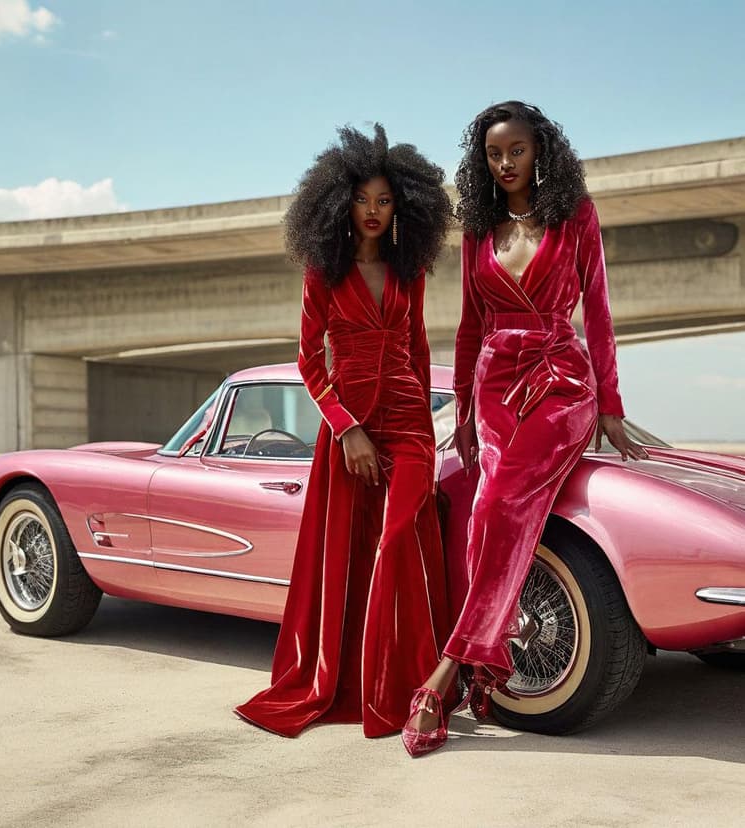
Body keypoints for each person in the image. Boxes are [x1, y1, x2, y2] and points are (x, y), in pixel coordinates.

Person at [401, 101, 649, 757]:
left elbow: (596, 309)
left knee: (504, 499)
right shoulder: (480, 229)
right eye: (492, 154)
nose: (504, 163)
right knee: (485, 510)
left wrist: (611, 404)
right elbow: (469, 325)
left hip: (560, 382)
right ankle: (487, 663)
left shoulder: (575, 218)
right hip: (493, 384)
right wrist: (462, 411)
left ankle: (446, 674)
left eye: (515, 150)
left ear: (540, 152)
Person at [235, 124, 454, 738]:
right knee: (352, 554)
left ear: (402, 205)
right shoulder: (322, 273)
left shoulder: (408, 272)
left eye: (385, 201)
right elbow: (309, 361)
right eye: (363, 200)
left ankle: (406, 689)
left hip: (410, 426)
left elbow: (416, 351)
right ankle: (359, 683)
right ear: (340, 203)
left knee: (395, 542)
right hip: (349, 429)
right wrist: (348, 428)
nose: (374, 212)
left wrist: (434, 426)